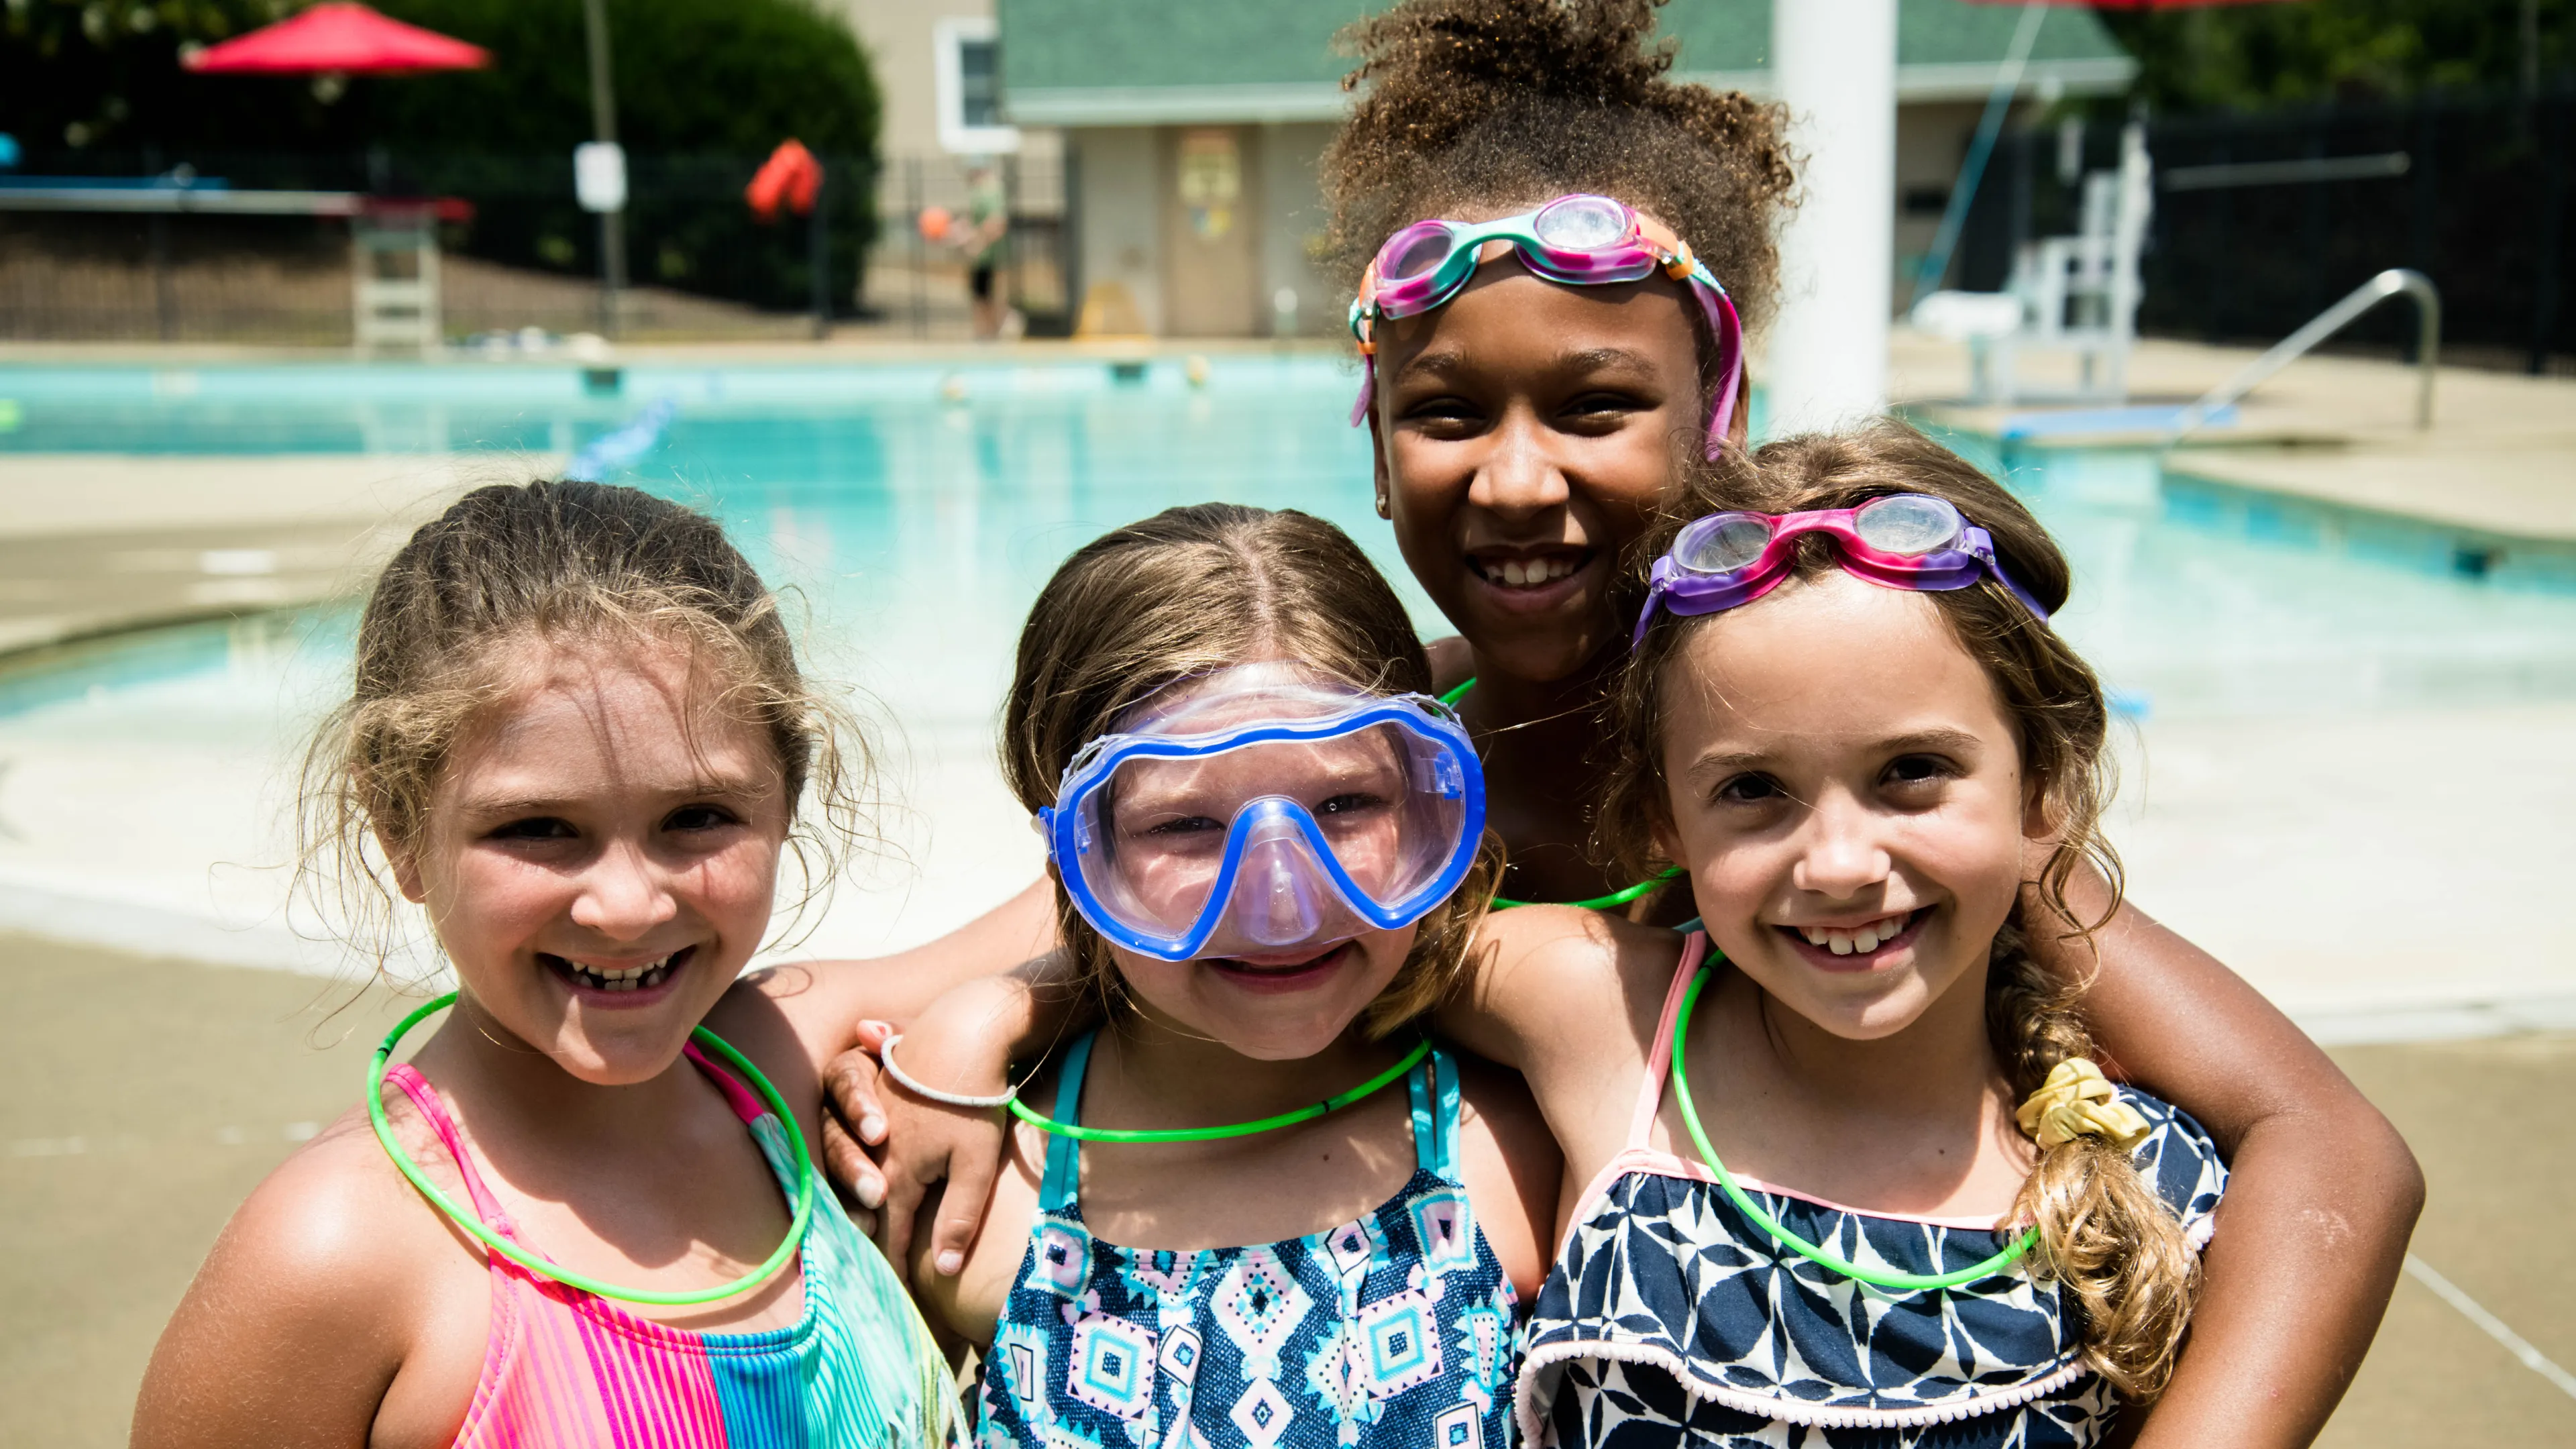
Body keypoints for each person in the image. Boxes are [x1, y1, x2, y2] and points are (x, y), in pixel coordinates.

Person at [826, 3, 2420, 1443]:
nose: (1517, 478)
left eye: (1592, 405)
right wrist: (982, 1028)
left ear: (1716, 416)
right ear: (1375, 444)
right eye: (1448, 413)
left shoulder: (1835, 795)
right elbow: (1011, 950)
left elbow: (2327, 1145)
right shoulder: (1342, 774)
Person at [130, 482, 954, 1448]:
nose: (627, 906)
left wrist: (989, 1024)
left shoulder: (769, 1069)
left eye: (698, 818)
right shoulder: (344, 1254)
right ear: (400, 827)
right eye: (538, 829)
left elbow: (1101, 919)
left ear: (786, 801)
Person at [1496, 423, 2226, 1444]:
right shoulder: (1608, 1027)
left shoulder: (2160, 1195)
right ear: (1665, 818)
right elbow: (1331, 933)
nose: (1839, 863)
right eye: (1754, 789)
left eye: (1913, 772)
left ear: (2042, 789)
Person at [890, 502, 1558, 1448]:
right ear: (1073, 852)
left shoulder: (1528, 1141)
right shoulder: (969, 1191)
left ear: (1424, 809)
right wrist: (978, 1018)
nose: (1281, 906)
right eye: (1186, 826)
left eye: (1345, 804)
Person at [963, 162, 1012, 340]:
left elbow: (997, 223)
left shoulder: (991, 191)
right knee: (979, 297)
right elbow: (974, 222)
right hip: (981, 257)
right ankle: (986, 335)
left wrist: (978, 243)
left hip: (990, 257)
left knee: (988, 299)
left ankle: (995, 332)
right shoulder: (978, 191)